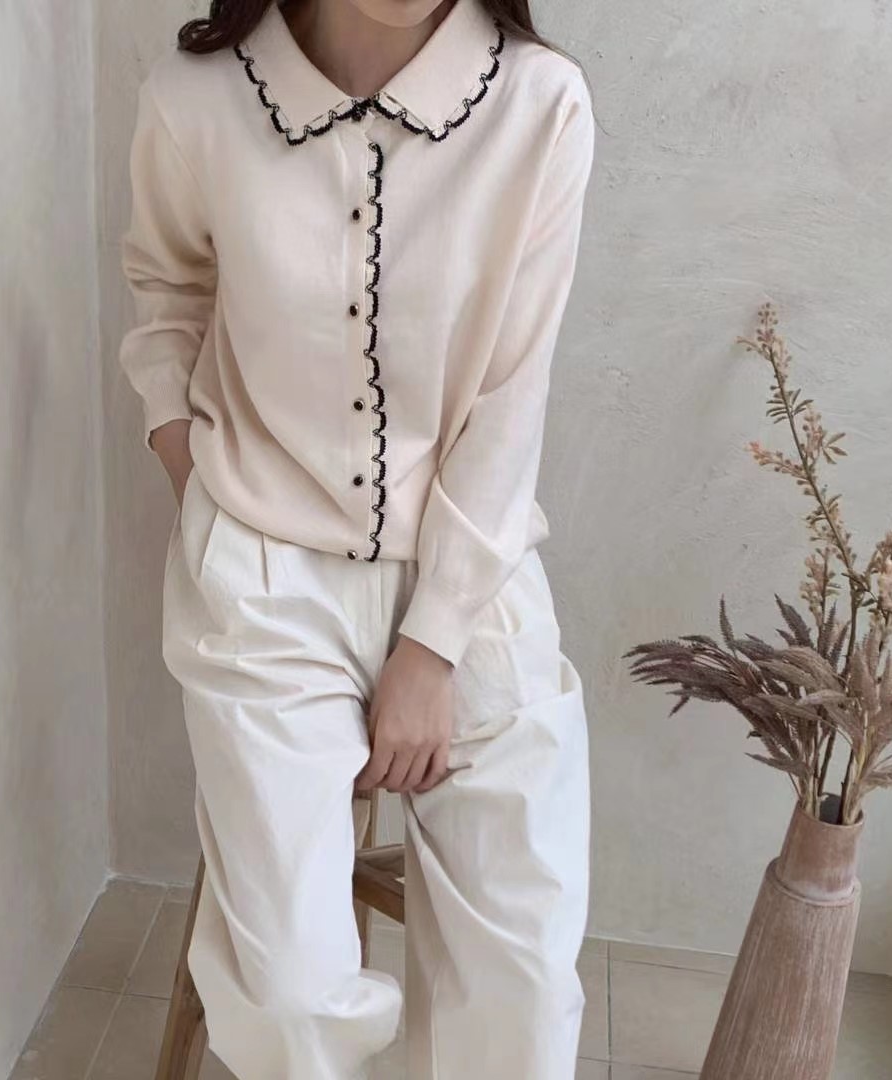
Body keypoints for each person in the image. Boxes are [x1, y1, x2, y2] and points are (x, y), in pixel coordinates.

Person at [118, 0, 595, 1076]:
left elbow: (511, 395)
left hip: (473, 578)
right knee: (289, 1001)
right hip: (261, 577)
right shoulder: (198, 100)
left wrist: (431, 648)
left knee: (520, 987)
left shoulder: (538, 105)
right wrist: (194, 482)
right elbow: (168, 290)